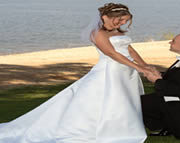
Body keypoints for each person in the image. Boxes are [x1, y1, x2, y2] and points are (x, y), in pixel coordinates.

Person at [0, 3, 149, 143]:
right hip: (108, 72)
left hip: (125, 72)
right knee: (103, 101)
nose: (122, 23)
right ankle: (94, 129)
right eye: (121, 19)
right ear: (106, 17)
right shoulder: (97, 33)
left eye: (126, 20)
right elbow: (112, 54)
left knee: (123, 101)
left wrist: (145, 65)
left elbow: (129, 49)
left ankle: (121, 128)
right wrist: (139, 68)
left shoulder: (117, 32)